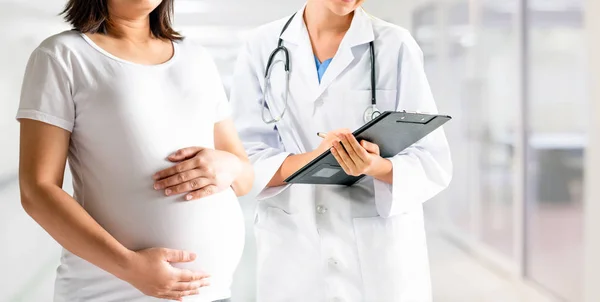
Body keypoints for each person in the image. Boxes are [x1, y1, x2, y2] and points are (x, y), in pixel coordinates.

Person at [16, 0, 253, 301]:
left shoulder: (196, 57)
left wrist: (229, 166)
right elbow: (37, 190)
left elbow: (244, 178)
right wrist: (130, 267)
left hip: (213, 293)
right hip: (111, 293)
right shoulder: (62, 55)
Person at [228, 0, 453, 301]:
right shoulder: (262, 46)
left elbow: (431, 160)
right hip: (294, 249)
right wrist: (316, 159)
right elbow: (243, 160)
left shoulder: (395, 45)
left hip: (378, 254)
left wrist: (374, 166)